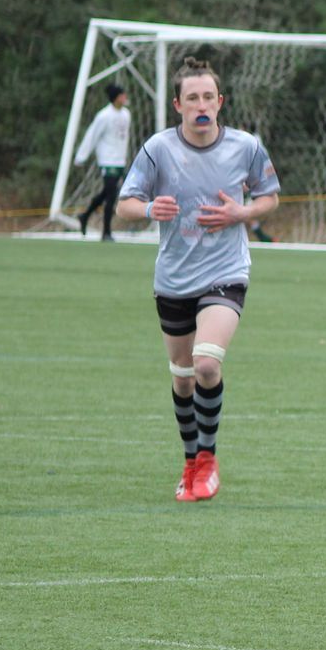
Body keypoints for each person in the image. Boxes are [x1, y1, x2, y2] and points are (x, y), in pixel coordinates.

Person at [116, 56, 280, 502]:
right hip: (173, 279)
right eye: (193, 97)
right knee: (183, 377)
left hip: (225, 274)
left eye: (209, 96)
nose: (201, 104)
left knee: (207, 362)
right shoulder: (158, 149)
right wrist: (150, 209)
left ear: (220, 101)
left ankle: (208, 460)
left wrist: (241, 213)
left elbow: (269, 196)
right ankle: (190, 461)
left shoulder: (245, 147)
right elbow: (124, 204)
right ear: (178, 105)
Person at [75, 84, 134, 241]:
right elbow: (92, 135)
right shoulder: (104, 116)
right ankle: (106, 232)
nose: (125, 97)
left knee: (107, 193)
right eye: (122, 95)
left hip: (119, 160)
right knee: (112, 195)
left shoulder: (126, 115)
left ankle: (85, 215)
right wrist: (81, 156)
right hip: (107, 160)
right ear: (115, 98)